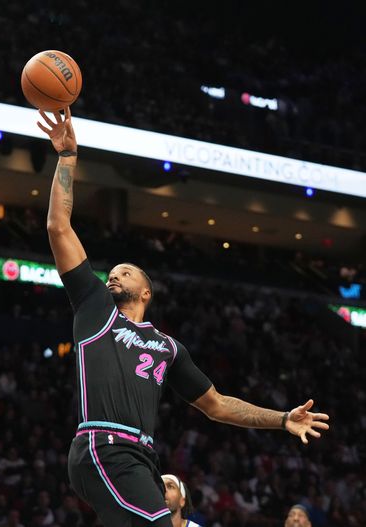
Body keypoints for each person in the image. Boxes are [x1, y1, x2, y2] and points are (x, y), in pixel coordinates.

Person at [37, 107, 330, 527]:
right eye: (111, 273)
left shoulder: (168, 347)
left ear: (146, 291)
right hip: (103, 447)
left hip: (141, 457)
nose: (113, 276)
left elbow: (217, 405)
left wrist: (282, 419)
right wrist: (67, 157)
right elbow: (58, 227)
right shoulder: (94, 307)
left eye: (125, 272)